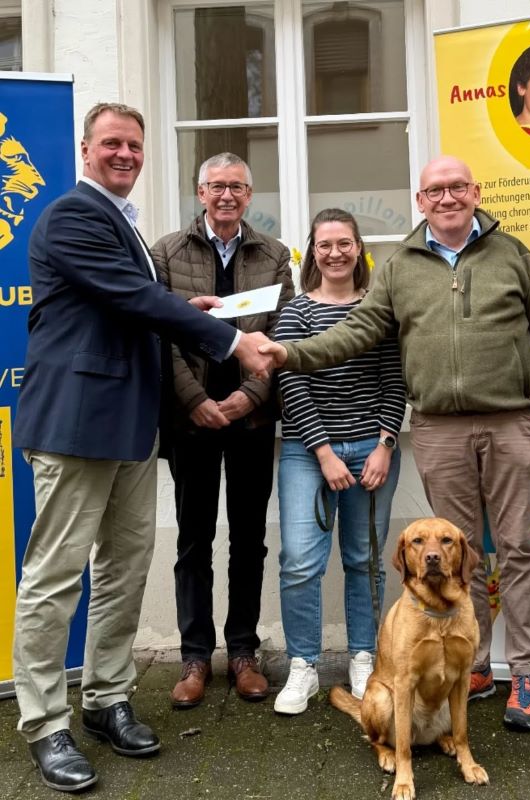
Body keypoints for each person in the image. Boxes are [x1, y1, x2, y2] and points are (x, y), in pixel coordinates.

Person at [260, 158, 530, 730]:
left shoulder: (511, 253)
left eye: (457, 188)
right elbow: (359, 331)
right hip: (438, 427)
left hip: (511, 421)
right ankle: (474, 665)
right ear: (420, 200)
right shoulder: (401, 266)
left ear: (475, 192)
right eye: (435, 190)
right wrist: (291, 353)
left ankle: (527, 671)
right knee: (455, 556)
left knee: (518, 547)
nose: (447, 198)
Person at [12, 103, 272, 794]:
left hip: (130, 426)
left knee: (124, 571)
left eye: (134, 144)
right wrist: (229, 339)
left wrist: (188, 310)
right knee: (54, 578)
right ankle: (45, 722)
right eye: (112, 143)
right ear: (85, 149)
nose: (125, 154)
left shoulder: (122, 220)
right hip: (75, 423)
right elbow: (129, 296)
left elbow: (135, 303)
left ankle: (105, 698)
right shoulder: (72, 214)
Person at [151, 153, 294, 709]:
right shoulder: (167, 252)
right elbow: (160, 333)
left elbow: (283, 335)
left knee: (249, 539)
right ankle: (194, 656)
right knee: (193, 539)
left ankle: (242, 652)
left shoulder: (274, 255)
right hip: (192, 420)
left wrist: (247, 398)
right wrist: (195, 401)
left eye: (236, 186)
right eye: (216, 186)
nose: (226, 195)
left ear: (250, 195)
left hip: (251, 418)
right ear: (200, 192)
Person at [271, 208, 405, 715]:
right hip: (309, 454)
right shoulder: (296, 313)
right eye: (324, 244)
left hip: (372, 450)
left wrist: (385, 444)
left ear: (359, 248)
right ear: (313, 252)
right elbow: (291, 385)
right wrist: (324, 453)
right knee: (299, 562)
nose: (335, 253)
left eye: (344, 243)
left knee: (364, 560)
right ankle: (303, 665)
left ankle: (364, 658)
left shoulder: (378, 310)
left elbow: (395, 380)